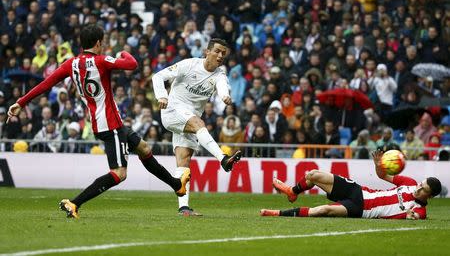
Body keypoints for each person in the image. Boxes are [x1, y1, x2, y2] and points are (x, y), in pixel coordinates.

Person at [7, 25, 190, 219]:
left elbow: (46, 84)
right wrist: (123, 53)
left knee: (143, 148)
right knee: (119, 173)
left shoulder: (71, 64)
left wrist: (20, 102)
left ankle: (177, 185)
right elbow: (132, 64)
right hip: (110, 125)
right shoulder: (101, 61)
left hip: (105, 123)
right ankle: (74, 203)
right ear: (98, 43)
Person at [152, 38, 242, 216]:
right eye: (217, 51)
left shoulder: (220, 75)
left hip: (188, 119)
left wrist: (225, 96)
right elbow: (158, 76)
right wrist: (161, 96)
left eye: (223, 53)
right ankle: (223, 159)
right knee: (199, 124)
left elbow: (223, 87)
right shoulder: (189, 64)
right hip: (172, 110)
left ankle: (183, 207)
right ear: (206, 52)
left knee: (184, 160)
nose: (220, 55)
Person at [261, 150, 441, 220]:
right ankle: (293, 191)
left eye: (423, 189)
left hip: (360, 209)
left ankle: (276, 213)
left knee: (323, 210)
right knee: (313, 174)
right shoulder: (409, 183)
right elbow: (383, 176)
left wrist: (410, 215)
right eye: (421, 184)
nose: (418, 188)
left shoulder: (420, 210)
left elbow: (414, 217)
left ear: (430, 196)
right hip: (359, 191)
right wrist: (378, 165)